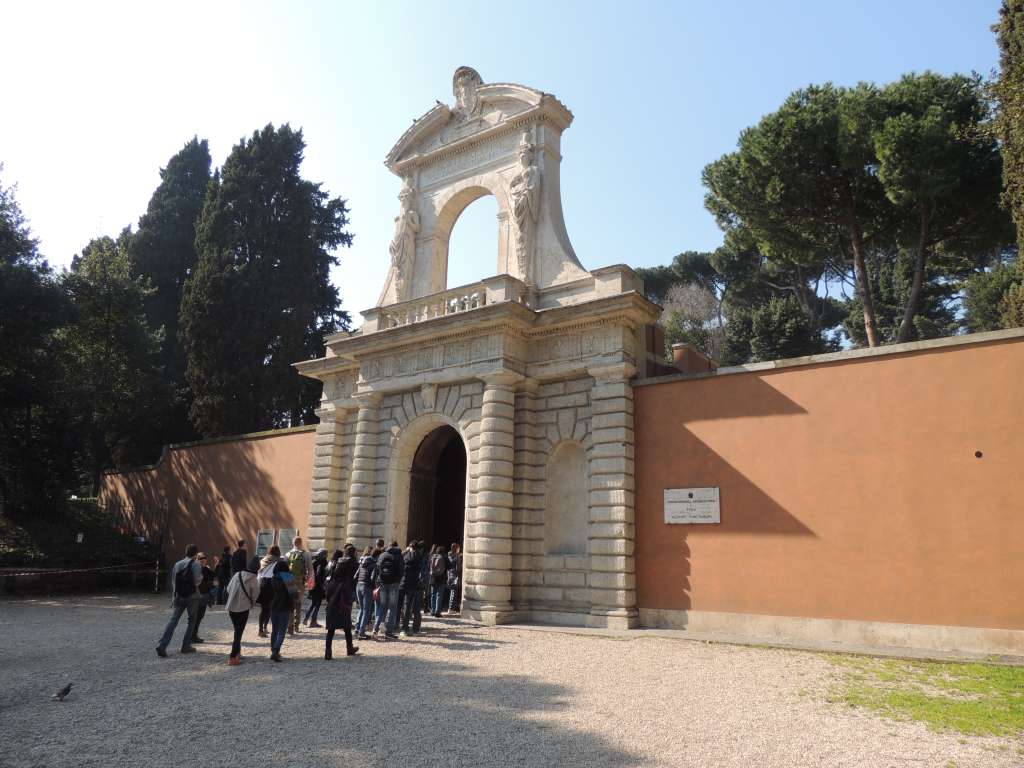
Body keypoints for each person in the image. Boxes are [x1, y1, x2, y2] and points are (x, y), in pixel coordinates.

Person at [156, 544, 202, 657]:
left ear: (186, 552)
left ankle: (162, 645)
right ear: (196, 553)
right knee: (191, 621)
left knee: (173, 621)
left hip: (179, 596)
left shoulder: (177, 564)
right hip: (192, 597)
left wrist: (174, 598)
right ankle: (186, 646)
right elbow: (197, 582)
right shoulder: (196, 564)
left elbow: (174, 583)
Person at [324, 546, 359, 660]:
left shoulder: (335, 563)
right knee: (347, 624)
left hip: (333, 592)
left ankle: (328, 651)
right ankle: (349, 647)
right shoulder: (353, 563)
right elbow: (355, 579)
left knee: (331, 627)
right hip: (344, 594)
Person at [224, 559, 260, 665]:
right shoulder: (254, 579)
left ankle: (237, 652)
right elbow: (255, 595)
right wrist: (251, 603)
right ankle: (233, 656)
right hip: (243, 608)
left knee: (237, 631)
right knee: (238, 633)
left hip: (231, 607)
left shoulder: (237, 574)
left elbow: (228, 589)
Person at [372, 540, 404, 640]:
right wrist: (398, 581)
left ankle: (376, 629)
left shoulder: (382, 555)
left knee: (382, 607)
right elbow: (401, 570)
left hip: (382, 583)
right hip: (394, 584)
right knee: (392, 608)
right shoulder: (399, 555)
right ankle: (389, 632)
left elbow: (377, 569)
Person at [285, 536, 313, 635]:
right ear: (301, 543)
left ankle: (290, 626)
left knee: (290, 604)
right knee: (298, 604)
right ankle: (296, 626)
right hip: (300, 582)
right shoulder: (306, 554)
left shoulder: (288, 554)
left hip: (289, 582)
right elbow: (310, 570)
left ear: (293, 543)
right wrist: (310, 585)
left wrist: (286, 583)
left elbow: (285, 570)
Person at [269, 558, 294, 661]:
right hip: (285, 606)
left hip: (274, 605)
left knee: (274, 630)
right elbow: (294, 594)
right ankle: (276, 650)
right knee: (282, 631)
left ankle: (273, 650)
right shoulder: (288, 577)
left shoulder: (273, 577)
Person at [400, 540, 423, 637]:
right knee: (417, 609)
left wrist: (406, 551)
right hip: (417, 586)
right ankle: (416, 629)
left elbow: (400, 559)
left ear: (410, 547)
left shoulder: (406, 557)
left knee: (407, 608)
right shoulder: (421, 557)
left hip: (407, 585)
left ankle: (404, 629)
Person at [191, 552, 216, 643]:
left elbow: (213, 576)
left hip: (204, 596)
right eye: (201, 558)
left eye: (204, 558)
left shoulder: (206, 569)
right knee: (195, 617)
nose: (203, 559)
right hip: (197, 596)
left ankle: (194, 635)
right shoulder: (196, 569)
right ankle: (191, 636)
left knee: (199, 617)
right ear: (197, 559)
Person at [256, 546, 281, 638]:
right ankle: (265, 627)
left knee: (263, 608)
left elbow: (259, 573)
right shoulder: (277, 561)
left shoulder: (263, 560)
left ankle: (260, 630)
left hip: (262, 584)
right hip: (271, 584)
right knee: (270, 608)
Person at [355, 545, 377, 640]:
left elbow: (355, 575)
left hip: (358, 585)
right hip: (367, 587)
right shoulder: (374, 563)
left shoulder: (361, 562)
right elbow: (372, 578)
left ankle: (357, 628)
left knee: (361, 608)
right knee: (366, 611)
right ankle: (362, 632)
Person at [304, 549, 329, 628]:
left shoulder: (314, 561)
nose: (327, 555)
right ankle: (313, 621)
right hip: (318, 586)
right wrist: (321, 583)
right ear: (324, 555)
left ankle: (306, 618)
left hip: (312, 585)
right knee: (317, 605)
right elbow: (319, 574)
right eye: (326, 554)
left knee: (313, 603)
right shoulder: (322, 562)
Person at [428, 544, 450, 618]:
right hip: (441, 578)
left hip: (433, 578)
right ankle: (437, 612)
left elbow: (429, 566)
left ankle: (432, 611)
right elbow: (450, 566)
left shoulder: (432, 557)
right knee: (439, 595)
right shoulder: (444, 557)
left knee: (433, 595)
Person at [447, 542, 462, 613]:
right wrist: (458, 555)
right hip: (453, 575)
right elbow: (453, 563)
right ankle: (450, 608)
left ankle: (453, 607)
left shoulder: (455, 555)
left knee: (454, 592)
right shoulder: (450, 554)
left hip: (454, 574)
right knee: (453, 591)